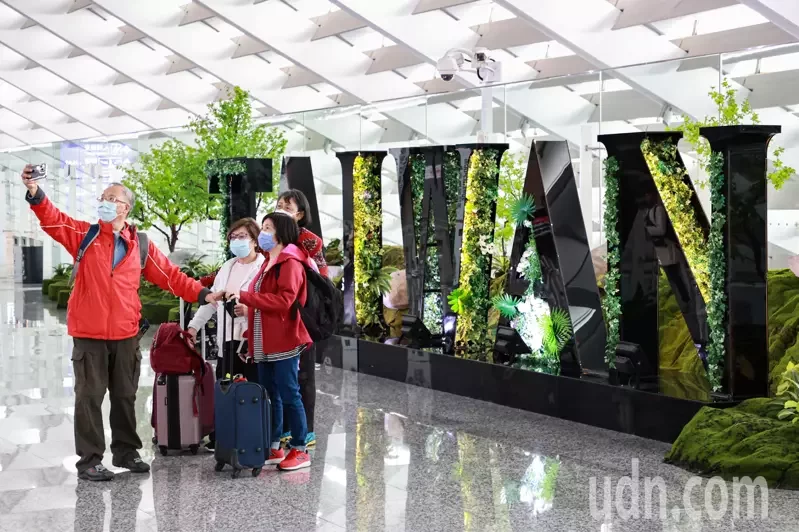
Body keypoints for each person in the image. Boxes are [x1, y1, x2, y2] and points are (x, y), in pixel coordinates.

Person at [20, 165, 215, 482]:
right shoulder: (86, 234)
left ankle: (126, 453)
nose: (105, 202)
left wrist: (204, 293)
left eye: (112, 198)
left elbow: (171, 277)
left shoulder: (141, 244)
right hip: (89, 334)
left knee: (125, 396)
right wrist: (34, 191)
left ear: (126, 207)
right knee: (89, 398)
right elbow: (53, 219)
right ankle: (90, 461)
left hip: (126, 334)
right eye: (103, 197)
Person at [220, 212, 312, 471]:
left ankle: (300, 448)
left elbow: (285, 301)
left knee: (290, 393)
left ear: (281, 233)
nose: (263, 233)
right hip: (264, 342)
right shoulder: (269, 263)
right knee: (271, 394)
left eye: (268, 228)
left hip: (284, 340)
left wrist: (246, 297)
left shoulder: (290, 263)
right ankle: (274, 446)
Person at [187, 218, 264, 383]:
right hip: (227, 341)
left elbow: (272, 304)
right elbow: (213, 301)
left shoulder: (263, 268)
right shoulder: (227, 267)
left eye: (242, 236)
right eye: (233, 237)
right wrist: (193, 327)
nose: (237, 241)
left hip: (250, 342)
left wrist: (248, 310)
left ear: (255, 241)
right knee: (225, 388)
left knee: (252, 392)